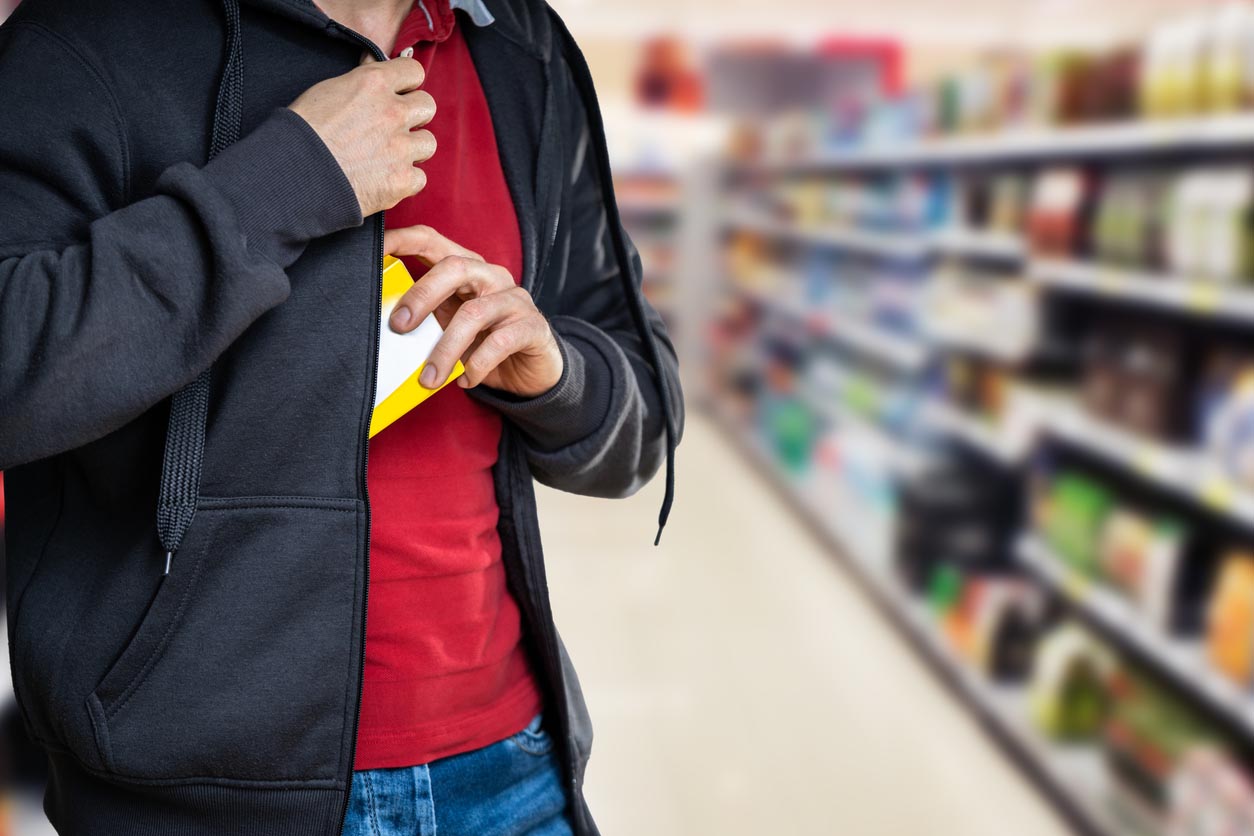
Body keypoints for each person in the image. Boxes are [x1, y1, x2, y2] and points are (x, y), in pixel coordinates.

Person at [0, 0, 683, 834]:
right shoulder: (83, 39)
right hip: (200, 794)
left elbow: (644, 424)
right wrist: (286, 180)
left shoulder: (519, 47)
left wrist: (557, 377)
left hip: (512, 770)